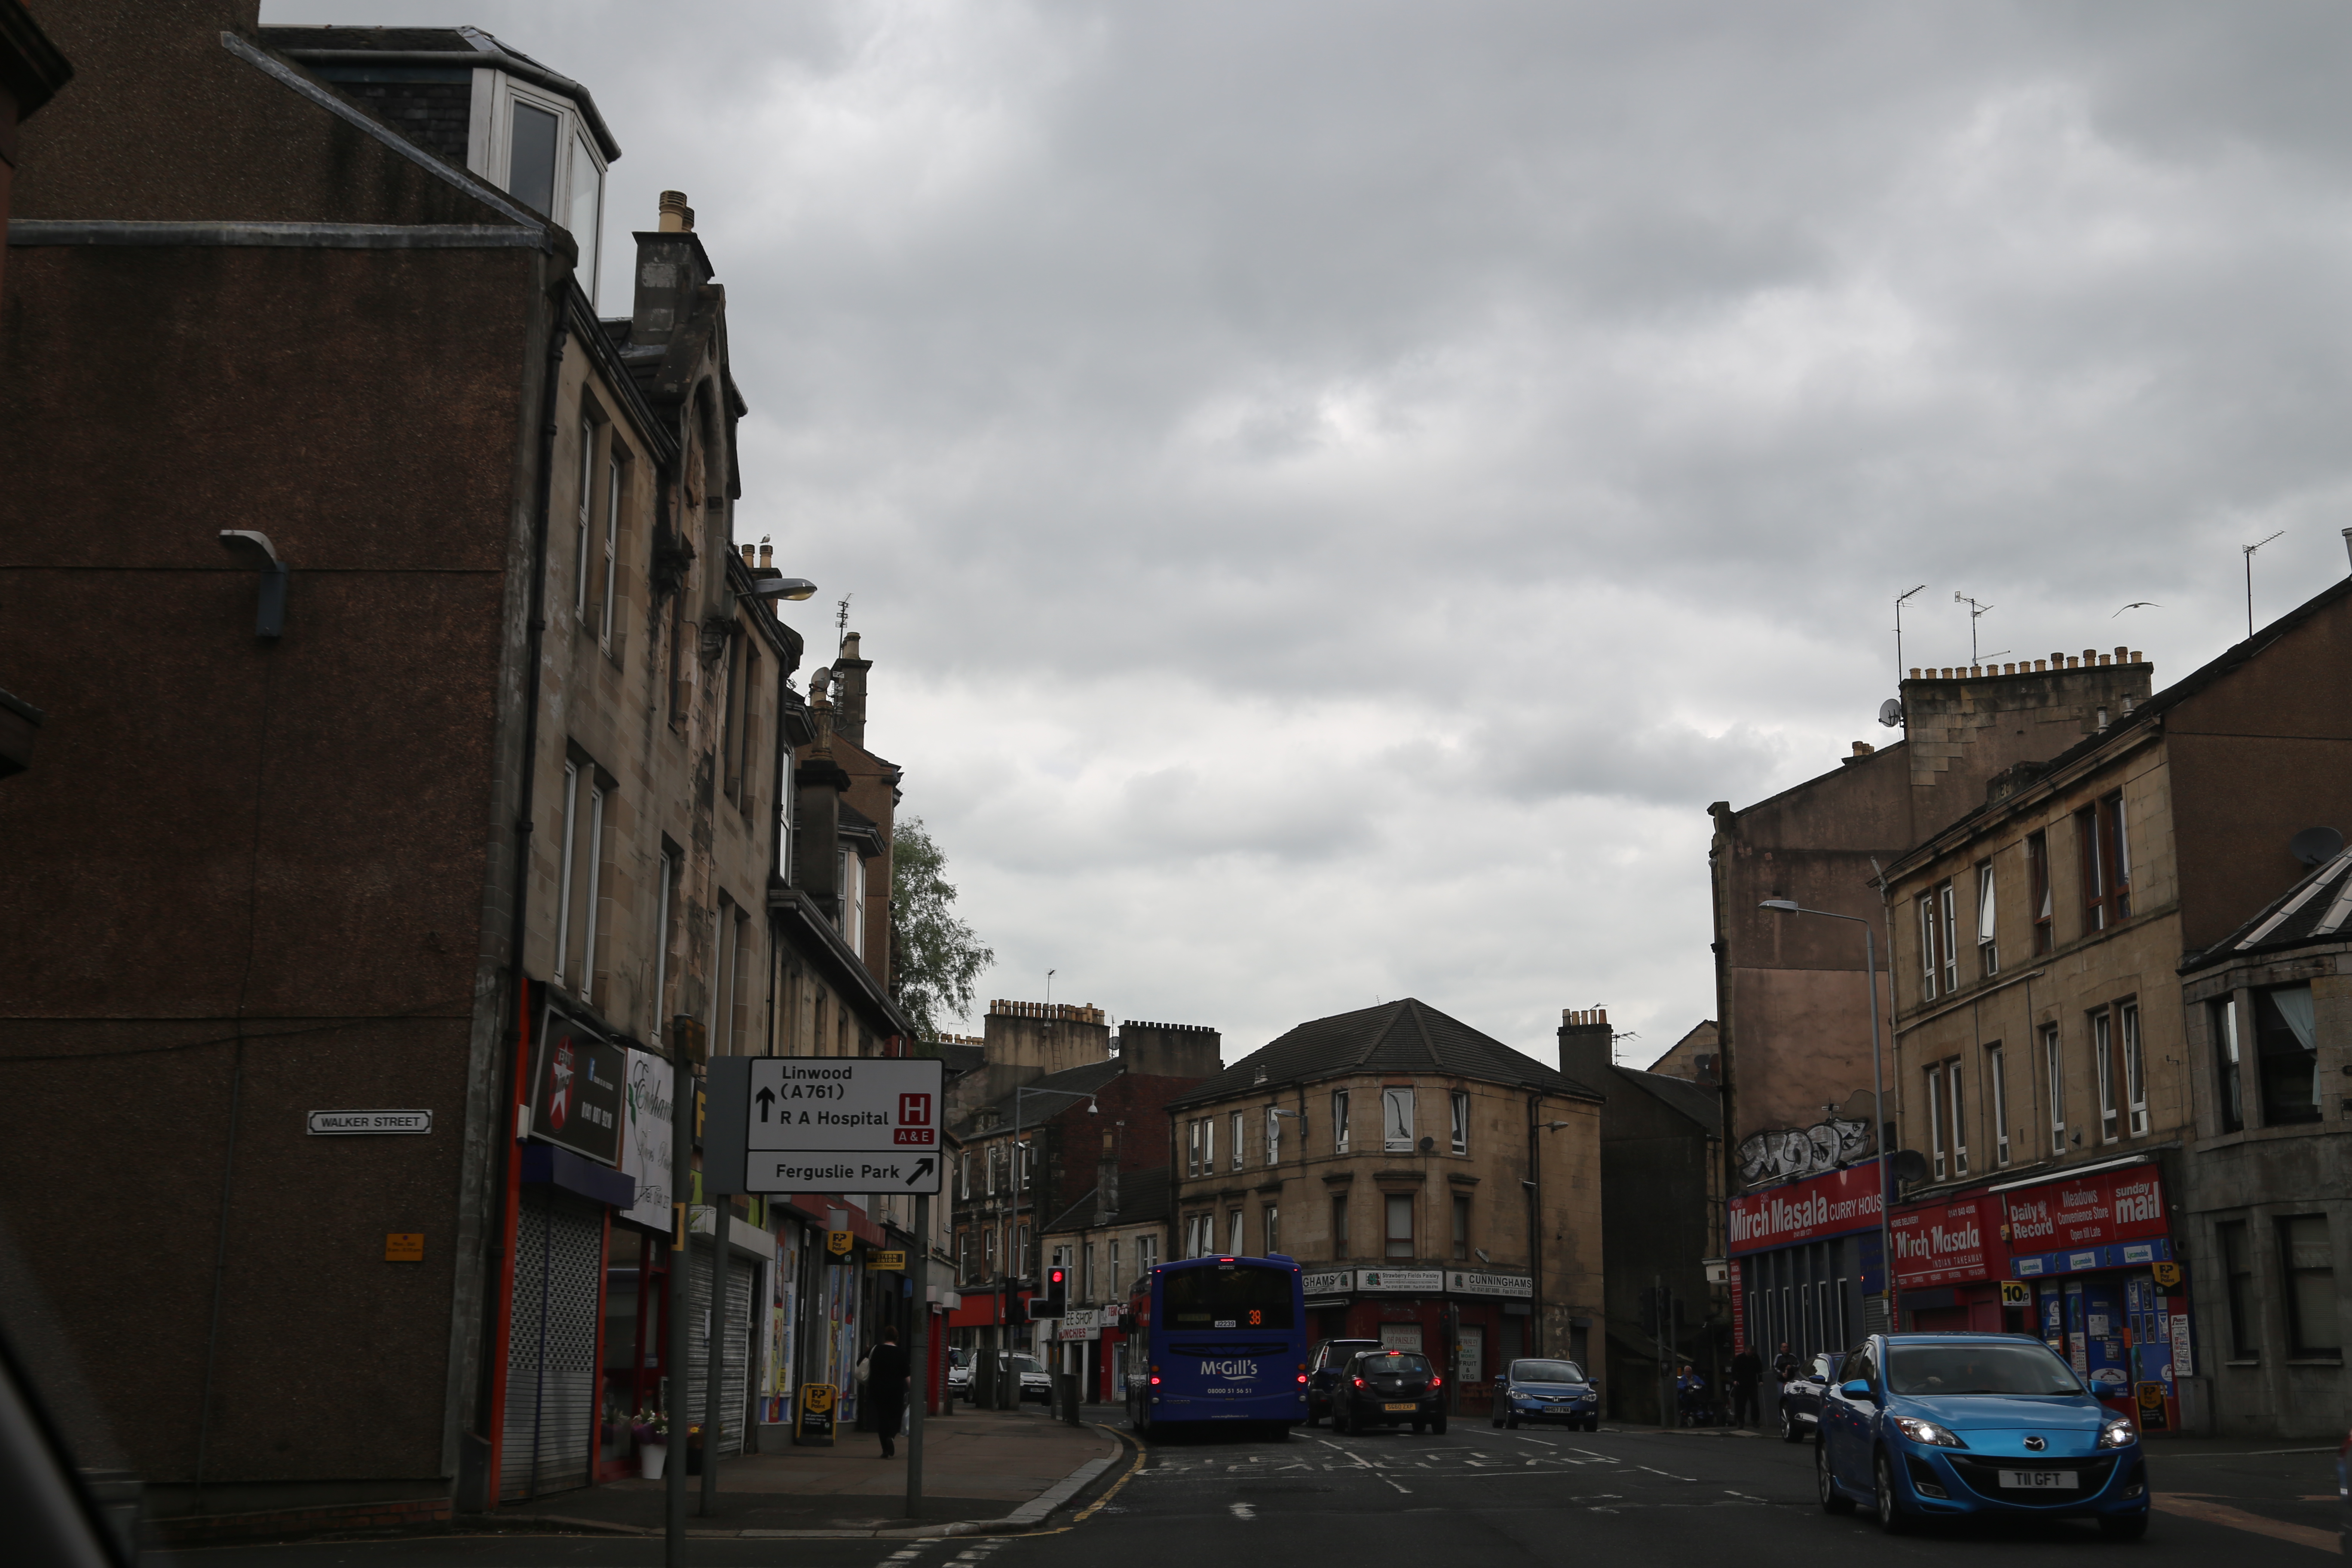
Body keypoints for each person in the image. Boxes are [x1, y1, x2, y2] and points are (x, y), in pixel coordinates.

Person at [866, 1326, 910, 1458]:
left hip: (877, 1389)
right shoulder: (901, 1353)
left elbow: (860, 1363)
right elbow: (906, 1375)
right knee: (896, 1416)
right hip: (895, 1390)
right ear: (897, 1339)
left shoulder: (876, 1350)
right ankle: (891, 1436)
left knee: (882, 1417)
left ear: (884, 1337)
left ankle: (885, 1450)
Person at [1728, 1345, 1763, 1427]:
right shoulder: (1740, 1358)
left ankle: (1755, 1421)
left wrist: (1760, 1380)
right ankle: (1741, 1422)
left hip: (1752, 1383)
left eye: (1751, 1353)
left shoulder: (1755, 1357)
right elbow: (1734, 1370)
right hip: (1741, 1384)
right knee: (1740, 1404)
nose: (1750, 1355)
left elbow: (1759, 1369)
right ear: (1746, 1351)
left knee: (1755, 1402)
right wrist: (1735, 1380)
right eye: (1749, 1353)